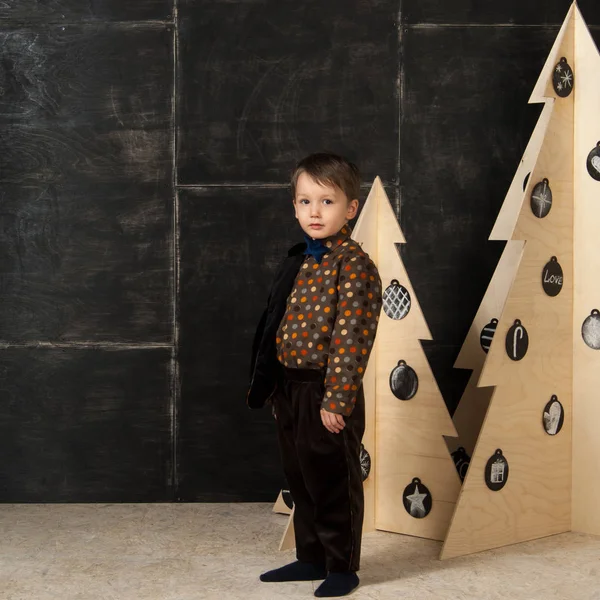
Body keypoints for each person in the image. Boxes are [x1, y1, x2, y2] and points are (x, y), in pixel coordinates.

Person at [247, 153, 382, 597]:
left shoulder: (354, 264)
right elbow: (276, 324)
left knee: (331, 479)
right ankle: (310, 557)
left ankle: (341, 565)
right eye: (305, 202)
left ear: (350, 208)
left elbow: (352, 339)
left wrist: (336, 400)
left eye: (326, 201)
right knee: (300, 475)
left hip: (326, 392)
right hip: (290, 386)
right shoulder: (300, 260)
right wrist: (272, 387)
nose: (314, 212)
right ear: (295, 208)